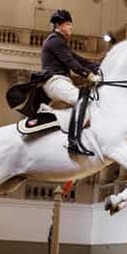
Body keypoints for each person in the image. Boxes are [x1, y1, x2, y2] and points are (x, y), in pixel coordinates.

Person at [38, 9, 101, 155]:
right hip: (55, 81)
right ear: (58, 26)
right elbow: (71, 62)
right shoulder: (54, 40)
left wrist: (100, 67)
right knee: (84, 102)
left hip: (61, 82)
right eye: (68, 24)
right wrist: (89, 75)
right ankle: (73, 142)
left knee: (78, 106)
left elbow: (80, 59)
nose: (71, 28)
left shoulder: (61, 42)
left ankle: (52, 114)